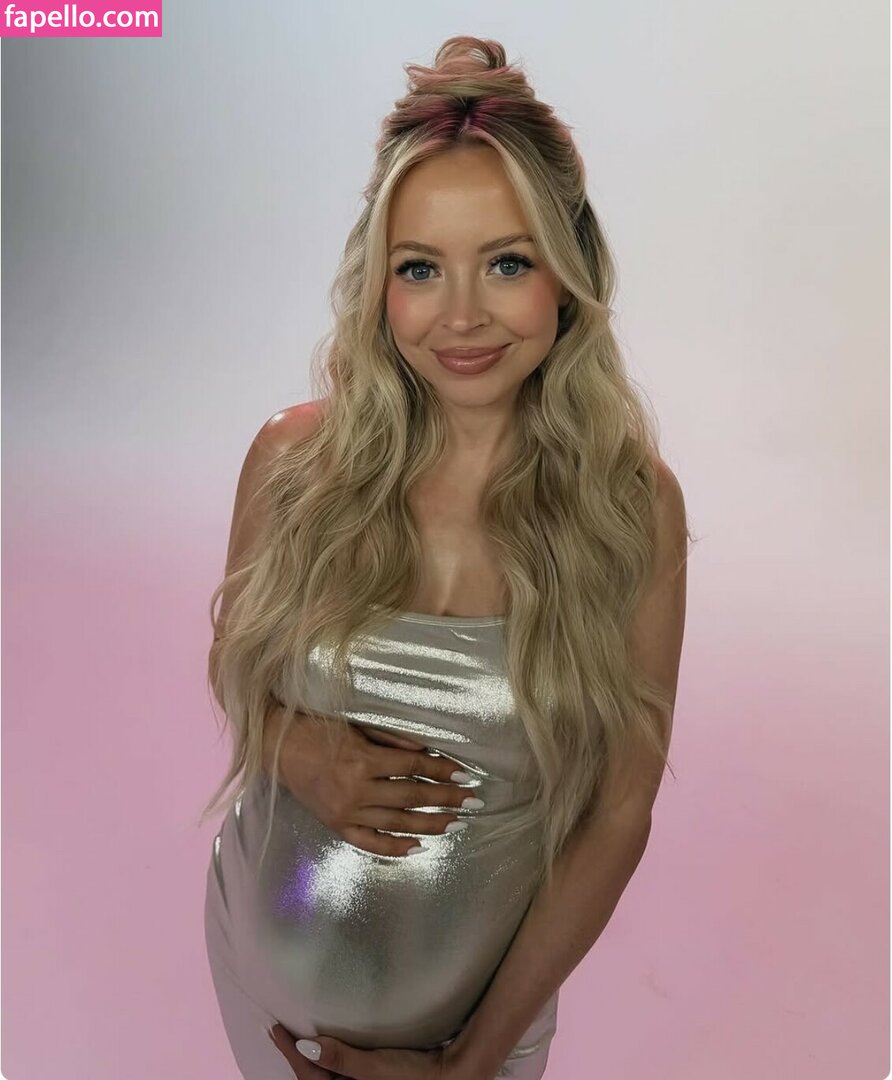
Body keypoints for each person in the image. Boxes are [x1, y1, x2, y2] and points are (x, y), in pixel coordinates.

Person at [201, 35, 689, 1080]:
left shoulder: (629, 509)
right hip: (263, 1003)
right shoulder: (293, 464)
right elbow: (234, 664)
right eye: (420, 268)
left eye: (507, 263)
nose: (462, 315)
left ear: (567, 275)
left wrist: (469, 1067)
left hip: (470, 1049)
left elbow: (618, 812)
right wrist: (303, 754)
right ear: (380, 285)